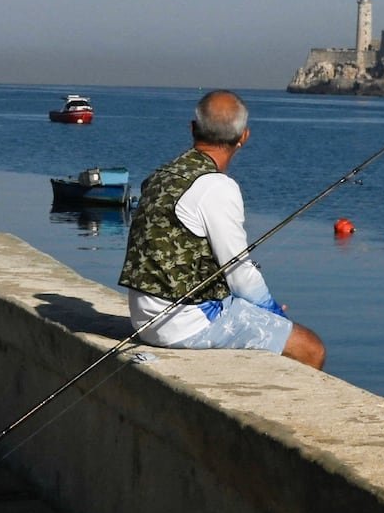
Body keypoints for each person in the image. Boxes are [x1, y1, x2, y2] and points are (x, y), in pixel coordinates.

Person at [119, 90, 325, 369]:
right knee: (310, 348)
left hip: (145, 318)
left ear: (193, 129)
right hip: (183, 323)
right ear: (244, 137)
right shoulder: (217, 187)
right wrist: (275, 316)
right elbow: (239, 272)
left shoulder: (159, 176)